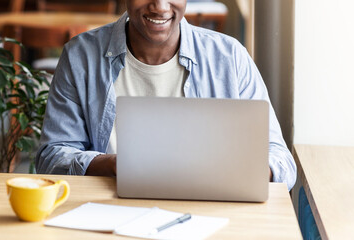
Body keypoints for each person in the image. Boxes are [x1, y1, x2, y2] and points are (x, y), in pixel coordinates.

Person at [35, 0, 297, 190]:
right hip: (108, 210)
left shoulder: (229, 58)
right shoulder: (80, 56)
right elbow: (51, 157)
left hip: (211, 213)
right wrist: (115, 165)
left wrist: (249, 170)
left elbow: (281, 159)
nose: (160, 6)